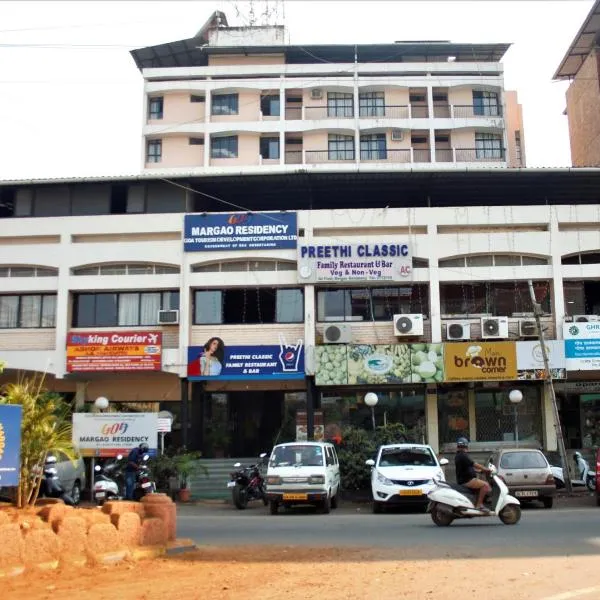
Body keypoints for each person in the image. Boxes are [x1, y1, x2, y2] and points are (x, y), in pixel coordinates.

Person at [455, 437, 492, 511]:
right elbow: (474, 464)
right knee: (485, 485)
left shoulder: (459, 455)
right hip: (467, 480)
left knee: (481, 484)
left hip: (465, 479)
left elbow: (468, 467)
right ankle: (479, 505)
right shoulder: (463, 455)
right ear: (466, 446)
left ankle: (477, 502)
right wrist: (485, 469)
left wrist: (479, 471)